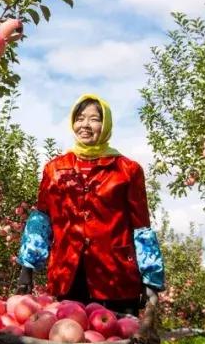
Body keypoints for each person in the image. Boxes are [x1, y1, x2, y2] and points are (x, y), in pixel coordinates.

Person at [15, 94, 164, 314]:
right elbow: (42, 220)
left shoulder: (127, 170)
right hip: (68, 274)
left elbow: (141, 226)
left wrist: (151, 278)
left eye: (94, 119)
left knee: (117, 338)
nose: (85, 125)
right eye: (80, 118)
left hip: (117, 275)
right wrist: (27, 267)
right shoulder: (55, 169)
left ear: (106, 125)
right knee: (71, 337)